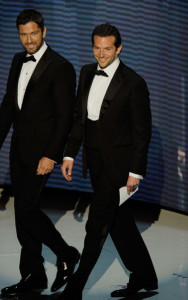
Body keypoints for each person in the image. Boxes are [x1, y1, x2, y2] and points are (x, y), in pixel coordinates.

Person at [60, 23, 158, 299]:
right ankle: (145, 277)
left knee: (97, 226)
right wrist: (70, 153)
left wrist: (135, 173)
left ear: (119, 48)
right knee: (119, 223)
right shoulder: (86, 72)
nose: (101, 54)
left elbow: (142, 133)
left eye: (107, 49)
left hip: (119, 169)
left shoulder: (134, 83)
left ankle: (74, 289)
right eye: (97, 48)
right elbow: (81, 119)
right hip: (95, 164)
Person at [0, 9, 80, 297]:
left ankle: (67, 254)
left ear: (44, 32)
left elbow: (64, 118)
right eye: (23, 34)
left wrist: (51, 155)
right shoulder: (17, 59)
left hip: (41, 155)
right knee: (22, 218)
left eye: (33, 33)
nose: (28, 40)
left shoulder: (61, 67)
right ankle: (33, 276)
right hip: (18, 150)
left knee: (26, 210)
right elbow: (9, 106)